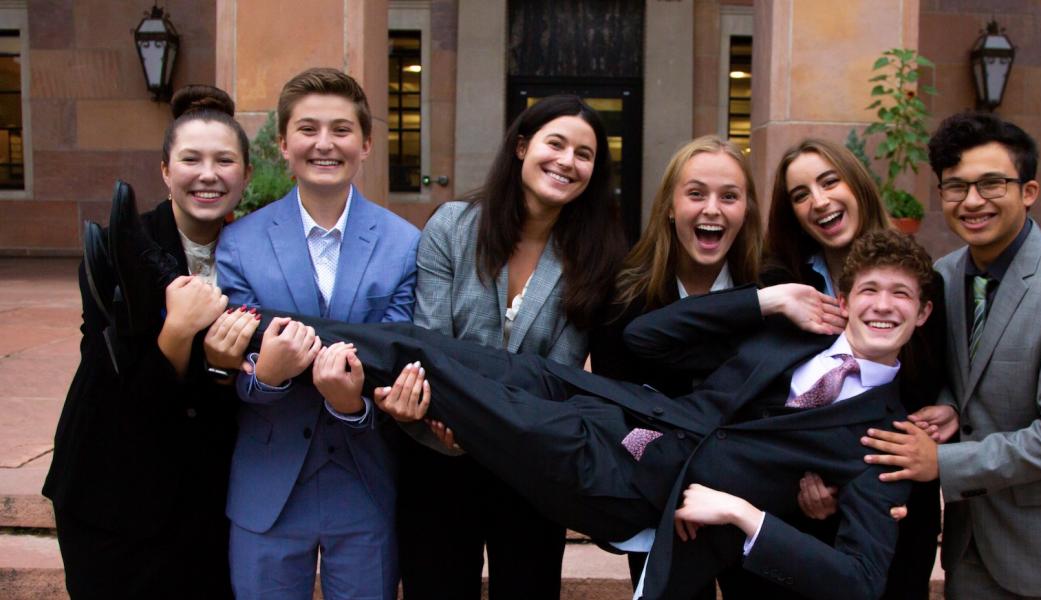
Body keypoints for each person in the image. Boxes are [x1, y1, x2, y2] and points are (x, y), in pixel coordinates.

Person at [238, 228, 934, 600]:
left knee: (442, 379)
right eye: (868, 288)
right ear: (843, 293)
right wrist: (765, 300)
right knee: (439, 349)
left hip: (630, 485)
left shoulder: (885, 436)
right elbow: (643, 339)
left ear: (923, 313)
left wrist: (746, 516)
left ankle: (243, 342)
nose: (881, 305)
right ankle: (246, 329)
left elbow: (859, 581)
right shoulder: (792, 332)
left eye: (900, 296)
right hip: (610, 405)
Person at [862, 112, 1041, 599]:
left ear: (1028, 191)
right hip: (973, 551)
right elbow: (963, 371)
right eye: (955, 187)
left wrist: (941, 463)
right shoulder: (943, 277)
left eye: (991, 184)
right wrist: (948, 402)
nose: (972, 201)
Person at [394, 94, 626, 600]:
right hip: (437, 449)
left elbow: (558, 373)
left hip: (531, 466)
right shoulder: (452, 227)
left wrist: (486, 424)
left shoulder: (597, 256)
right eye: (556, 143)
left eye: (584, 154)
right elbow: (430, 343)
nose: (567, 161)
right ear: (523, 146)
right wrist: (453, 422)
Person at [42, 85, 257, 598]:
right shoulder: (119, 248)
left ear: (246, 176)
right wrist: (180, 329)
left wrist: (221, 365)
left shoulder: (258, 254)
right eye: (191, 159)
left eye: (224, 160)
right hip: (112, 490)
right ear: (165, 171)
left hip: (206, 500)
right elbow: (126, 387)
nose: (208, 174)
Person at [215, 67, 421, 599]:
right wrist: (269, 379)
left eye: (341, 129)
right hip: (268, 479)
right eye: (307, 129)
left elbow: (399, 355)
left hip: (364, 478)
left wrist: (352, 403)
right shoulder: (239, 244)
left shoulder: (403, 245)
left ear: (366, 143)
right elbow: (236, 360)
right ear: (283, 144)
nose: (324, 144)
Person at [758, 138, 946, 599]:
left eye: (828, 181)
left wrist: (950, 404)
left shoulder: (922, 285)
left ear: (857, 184)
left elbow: (940, 377)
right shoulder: (781, 284)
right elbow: (765, 399)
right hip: (803, 507)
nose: (818, 202)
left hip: (892, 493)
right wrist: (802, 479)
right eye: (800, 195)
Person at [589, 135, 763, 598]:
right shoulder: (623, 298)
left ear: (746, 210)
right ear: (669, 206)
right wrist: (672, 491)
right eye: (696, 193)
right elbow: (618, 414)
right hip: (659, 504)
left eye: (729, 196)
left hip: (752, 504)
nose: (713, 209)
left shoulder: (772, 292)